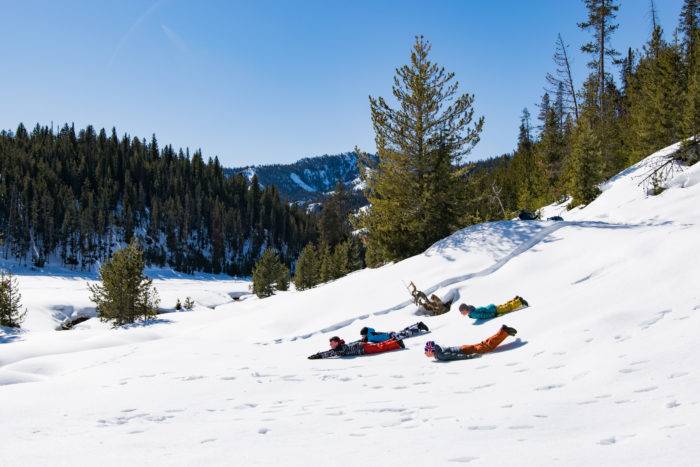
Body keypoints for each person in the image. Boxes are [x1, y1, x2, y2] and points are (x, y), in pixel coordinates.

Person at [424, 325, 517, 361]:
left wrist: (471, 356)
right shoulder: (438, 350)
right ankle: (502, 331)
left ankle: (504, 332)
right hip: (463, 347)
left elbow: (454, 356)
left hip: (465, 351)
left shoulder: (440, 355)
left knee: (487, 347)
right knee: (484, 344)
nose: (425, 353)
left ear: (431, 351)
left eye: (426, 351)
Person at [308, 335, 405, 359]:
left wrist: (361, 342)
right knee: (378, 346)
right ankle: (395, 341)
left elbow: (335, 352)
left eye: (332, 343)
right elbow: (328, 353)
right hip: (362, 346)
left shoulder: (340, 348)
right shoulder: (338, 348)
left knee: (380, 347)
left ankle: (397, 343)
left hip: (363, 348)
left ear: (337, 342)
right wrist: (318, 355)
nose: (331, 345)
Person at [459, 296, 529, 320]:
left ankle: (519, 302)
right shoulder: (472, 310)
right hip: (491, 307)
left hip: (492, 310)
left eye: (462, 312)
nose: (462, 314)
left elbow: (483, 315)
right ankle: (515, 299)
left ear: (465, 309)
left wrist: (493, 315)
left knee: (507, 308)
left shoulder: (473, 313)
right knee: (504, 306)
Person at [360, 321, 429, 343]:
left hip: (391, 337)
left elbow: (370, 340)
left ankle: (419, 326)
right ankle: (417, 325)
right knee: (404, 331)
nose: (363, 337)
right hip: (390, 335)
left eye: (363, 335)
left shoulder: (370, 336)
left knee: (406, 333)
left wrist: (364, 340)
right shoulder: (371, 334)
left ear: (366, 333)